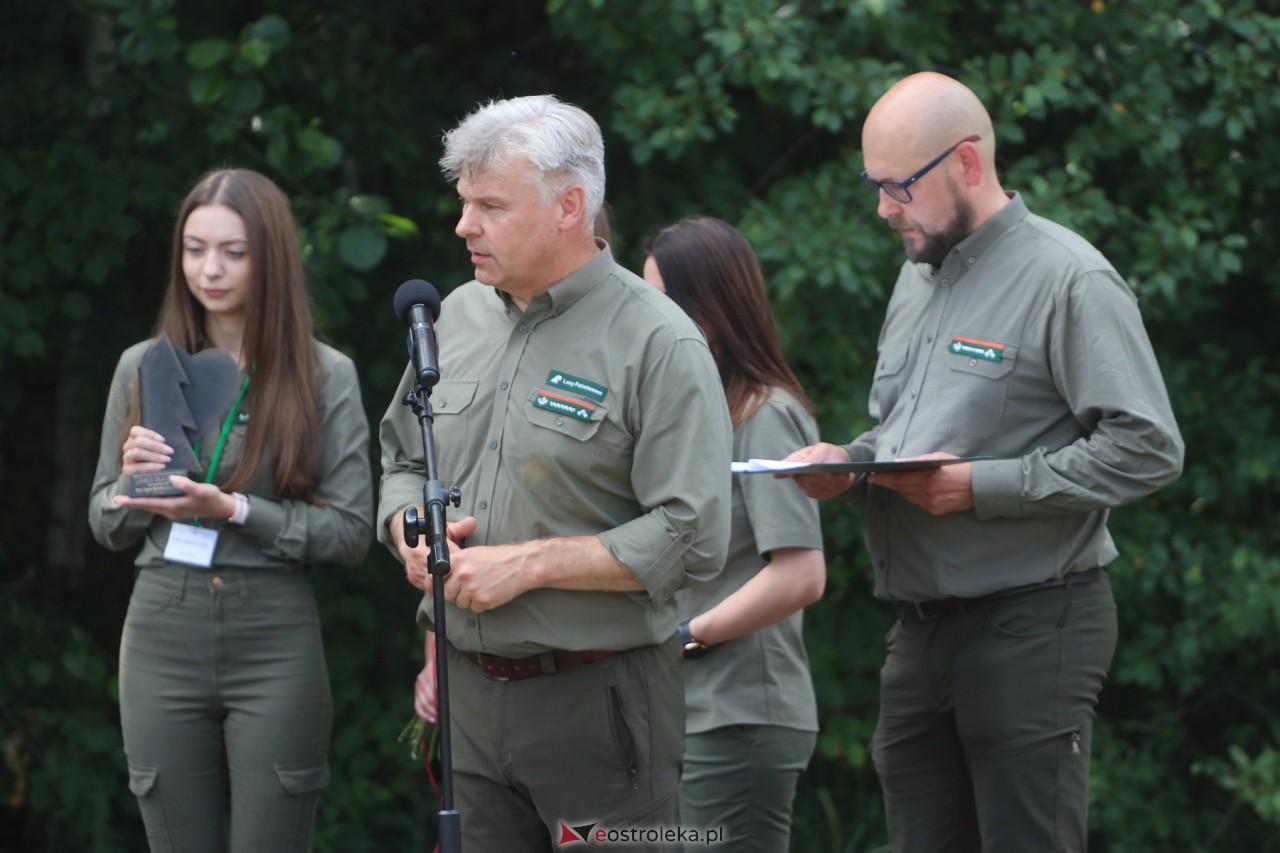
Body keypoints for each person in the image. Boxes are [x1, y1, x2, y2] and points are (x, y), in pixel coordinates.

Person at [784, 72, 1184, 851]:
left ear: (967, 162)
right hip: (917, 630)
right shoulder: (914, 276)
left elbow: (1149, 449)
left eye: (898, 186)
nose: (883, 208)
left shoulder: (1069, 279)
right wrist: (851, 464)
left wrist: (984, 488)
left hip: (1032, 623)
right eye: (875, 185)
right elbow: (906, 436)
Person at [379, 94, 732, 851]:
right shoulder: (450, 320)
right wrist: (411, 527)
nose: (462, 225)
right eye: (464, 203)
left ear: (570, 206)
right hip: (467, 699)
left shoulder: (659, 342)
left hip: (597, 701)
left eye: (489, 206)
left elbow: (693, 534)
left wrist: (532, 565)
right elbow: (404, 460)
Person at [87, 168, 373, 852]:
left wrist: (238, 508)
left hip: (273, 632)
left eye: (233, 251)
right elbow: (105, 521)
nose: (208, 269)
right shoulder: (143, 365)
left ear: (269, 255)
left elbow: (353, 531)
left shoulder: (324, 373)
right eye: (193, 249)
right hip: (162, 626)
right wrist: (133, 484)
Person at [641, 215, 826, 852]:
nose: (648, 322)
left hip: (741, 715)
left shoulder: (768, 416)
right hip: (683, 714)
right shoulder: (692, 413)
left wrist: (687, 638)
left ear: (711, 310)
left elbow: (801, 574)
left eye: (661, 304)